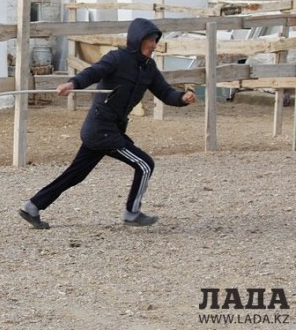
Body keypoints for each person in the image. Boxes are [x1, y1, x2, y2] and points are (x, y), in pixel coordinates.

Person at [19, 17, 197, 229]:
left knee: (75, 174)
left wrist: (182, 98)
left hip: (110, 130)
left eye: (155, 40)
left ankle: (32, 206)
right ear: (138, 40)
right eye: (150, 40)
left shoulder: (149, 68)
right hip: (101, 130)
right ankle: (132, 213)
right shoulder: (117, 58)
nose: (154, 45)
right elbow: (93, 72)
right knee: (145, 164)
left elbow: (165, 92)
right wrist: (73, 83)